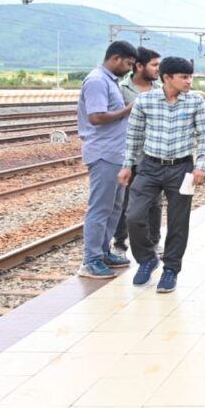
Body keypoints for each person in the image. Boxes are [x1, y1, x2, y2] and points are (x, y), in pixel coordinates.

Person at [119, 57, 205, 293]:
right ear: (167, 78)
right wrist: (128, 164)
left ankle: (171, 269)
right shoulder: (145, 101)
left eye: (190, 76)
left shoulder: (195, 102)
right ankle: (148, 259)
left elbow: (204, 135)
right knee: (134, 215)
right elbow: (135, 135)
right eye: (184, 77)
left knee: (178, 222)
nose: (189, 81)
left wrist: (201, 165)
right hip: (149, 167)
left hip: (181, 168)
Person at [76, 41, 138, 279]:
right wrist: (128, 109)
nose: (130, 69)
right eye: (129, 63)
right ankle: (90, 260)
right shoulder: (97, 81)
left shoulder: (109, 81)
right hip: (103, 153)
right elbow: (96, 117)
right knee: (100, 208)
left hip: (116, 153)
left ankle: (102, 252)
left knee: (114, 206)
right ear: (115, 58)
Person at [112, 46, 163, 258]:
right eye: (154, 65)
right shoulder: (120, 88)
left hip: (154, 154)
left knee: (155, 202)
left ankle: (153, 241)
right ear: (139, 66)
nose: (157, 69)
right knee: (124, 201)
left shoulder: (161, 89)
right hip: (129, 152)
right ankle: (120, 243)